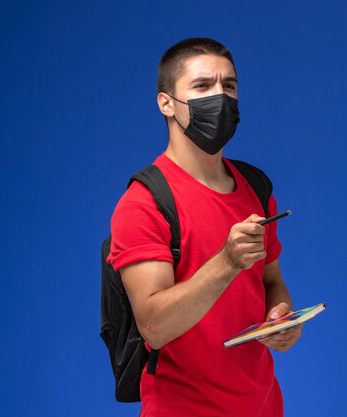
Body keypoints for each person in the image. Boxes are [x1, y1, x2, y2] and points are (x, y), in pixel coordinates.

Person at [107, 37, 300, 417]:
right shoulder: (144, 203)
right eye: (202, 86)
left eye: (229, 85)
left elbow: (270, 282)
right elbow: (154, 327)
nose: (220, 97)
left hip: (263, 406)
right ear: (166, 103)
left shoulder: (255, 188)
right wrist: (226, 261)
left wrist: (283, 319)